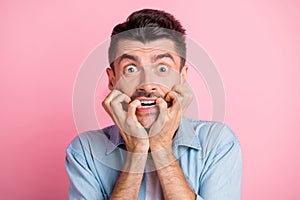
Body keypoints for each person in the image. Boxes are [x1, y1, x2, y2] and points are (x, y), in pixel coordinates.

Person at [66, 8, 242, 200]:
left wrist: (161, 148)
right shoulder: (85, 150)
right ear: (112, 80)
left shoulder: (217, 143)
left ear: (182, 77)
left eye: (162, 68)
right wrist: (137, 151)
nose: (147, 84)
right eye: (131, 69)